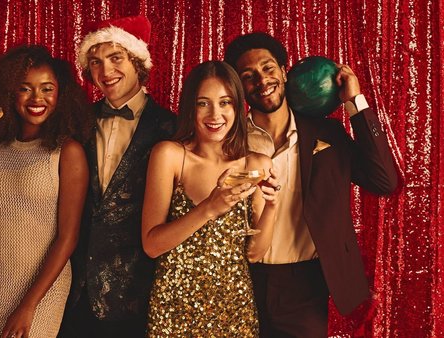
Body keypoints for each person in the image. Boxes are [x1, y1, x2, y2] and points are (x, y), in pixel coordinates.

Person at [224, 32, 399, 337]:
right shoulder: (228, 140)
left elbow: (384, 180)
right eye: (248, 76)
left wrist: (356, 104)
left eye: (268, 69)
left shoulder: (327, 133)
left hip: (304, 284)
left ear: (284, 71)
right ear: (238, 87)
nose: (262, 81)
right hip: (239, 279)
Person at [0, 45, 92, 337]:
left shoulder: (67, 152)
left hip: (41, 289)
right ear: (9, 94)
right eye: (25, 89)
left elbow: (68, 237)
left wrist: (27, 307)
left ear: (60, 94)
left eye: (47, 88)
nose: (37, 99)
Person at [56, 16, 176, 337]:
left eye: (115, 58)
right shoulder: (76, 124)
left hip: (140, 293)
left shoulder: (172, 129)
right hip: (75, 289)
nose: (105, 71)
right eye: (95, 62)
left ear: (137, 61)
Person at [142, 61, 280, 337]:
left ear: (238, 107)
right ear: (190, 108)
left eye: (225, 102)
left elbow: (254, 254)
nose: (215, 114)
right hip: (173, 311)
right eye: (203, 103)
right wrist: (209, 207)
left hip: (234, 309)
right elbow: (152, 245)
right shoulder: (170, 155)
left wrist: (273, 206)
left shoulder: (255, 164)